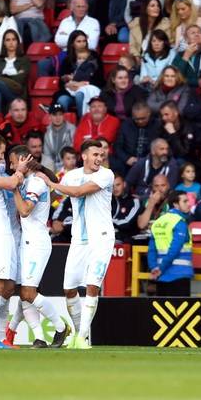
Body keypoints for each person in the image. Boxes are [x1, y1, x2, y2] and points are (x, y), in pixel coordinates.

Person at [43, 139, 117, 349]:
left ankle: (83, 337)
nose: (99, 159)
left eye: (101, 155)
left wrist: (52, 183)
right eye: (95, 154)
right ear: (83, 156)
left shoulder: (106, 175)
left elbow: (77, 192)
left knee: (93, 286)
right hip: (79, 240)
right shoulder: (72, 175)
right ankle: (77, 334)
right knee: (69, 289)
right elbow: (55, 196)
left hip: (101, 238)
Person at [5, 145, 70, 348]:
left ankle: (60, 327)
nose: (11, 165)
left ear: (24, 160)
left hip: (37, 244)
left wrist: (14, 187)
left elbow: (24, 211)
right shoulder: (29, 181)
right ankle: (39, 338)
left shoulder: (36, 183)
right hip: (27, 243)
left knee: (28, 293)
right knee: (24, 293)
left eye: (13, 161)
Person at [147, 190, 194, 296]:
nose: (189, 204)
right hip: (180, 274)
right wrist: (161, 268)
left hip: (161, 276)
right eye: (185, 201)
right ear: (175, 204)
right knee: (182, 311)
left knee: (162, 310)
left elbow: (151, 250)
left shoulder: (158, 222)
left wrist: (154, 268)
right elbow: (175, 249)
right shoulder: (180, 222)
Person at [50, 30, 103, 113]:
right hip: (71, 91)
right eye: (79, 41)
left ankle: (82, 122)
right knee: (62, 100)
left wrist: (83, 84)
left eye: (84, 41)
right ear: (72, 43)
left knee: (79, 95)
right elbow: (61, 81)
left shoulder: (94, 56)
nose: (82, 44)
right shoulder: (67, 59)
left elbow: (100, 78)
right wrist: (67, 84)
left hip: (89, 91)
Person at [0, 30, 29, 114]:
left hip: (17, 95)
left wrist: (0, 77)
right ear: (4, 43)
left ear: (17, 42)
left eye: (13, 39)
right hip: (2, 93)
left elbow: (20, 80)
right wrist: (12, 76)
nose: (11, 42)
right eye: (8, 40)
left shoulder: (24, 60)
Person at [111, 101, 161, 175]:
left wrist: (145, 160)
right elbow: (117, 146)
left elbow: (160, 146)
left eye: (143, 118)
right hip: (128, 162)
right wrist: (127, 158)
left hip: (149, 161)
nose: (140, 121)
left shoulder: (157, 125)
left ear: (149, 114)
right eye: (137, 119)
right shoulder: (126, 125)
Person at [42, 103, 77, 170]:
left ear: (64, 115)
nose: (58, 118)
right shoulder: (46, 131)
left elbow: (72, 151)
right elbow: (47, 154)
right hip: (51, 167)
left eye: (60, 114)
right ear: (50, 116)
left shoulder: (72, 129)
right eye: (55, 115)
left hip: (68, 166)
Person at [111, 172, 142, 242]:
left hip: (128, 240)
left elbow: (127, 223)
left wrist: (108, 222)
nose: (115, 188)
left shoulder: (134, 201)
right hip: (109, 238)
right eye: (112, 186)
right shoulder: (109, 201)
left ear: (124, 184)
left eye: (118, 185)